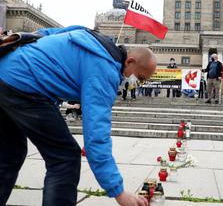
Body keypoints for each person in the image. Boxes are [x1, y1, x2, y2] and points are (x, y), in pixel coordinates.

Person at [0, 25, 156, 206]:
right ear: (129, 62)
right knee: (65, 158)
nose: (138, 82)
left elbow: (47, 33)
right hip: (25, 85)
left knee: (10, 153)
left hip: (5, 69)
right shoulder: (105, 71)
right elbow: (96, 136)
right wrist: (119, 192)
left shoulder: (92, 38)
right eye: (141, 77)